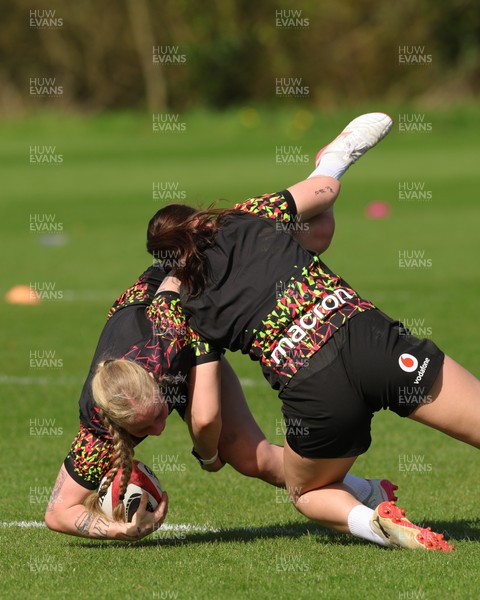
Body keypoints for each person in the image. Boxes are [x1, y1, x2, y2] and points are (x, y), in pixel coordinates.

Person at [145, 112, 480, 551]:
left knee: (308, 493)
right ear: (201, 221)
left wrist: (208, 456)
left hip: (312, 386)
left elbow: (206, 414)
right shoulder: (247, 218)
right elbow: (323, 198)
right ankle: (333, 155)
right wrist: (330, 164)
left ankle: (373, 521)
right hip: (366, 336)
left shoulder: (189, 308)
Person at [45, 261, 396, 541]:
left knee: (316, 233)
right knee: (250, 458)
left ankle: (330, 173)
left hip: (192, 301)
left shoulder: (168, 338)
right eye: (144, 427)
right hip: (167, 338)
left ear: (157, 382)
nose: (160, 428)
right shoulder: (98, 427)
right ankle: (371, 496)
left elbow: (206, 418)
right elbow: (58, 512)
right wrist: (118, 530)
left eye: (159, 413)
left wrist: (209, 455)